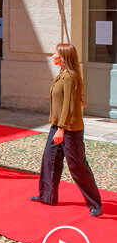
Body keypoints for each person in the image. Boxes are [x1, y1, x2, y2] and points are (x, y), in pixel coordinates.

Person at [31, 43, 102, 217]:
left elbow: (69, 106)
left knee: (77, 165)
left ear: (63, 58)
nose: (53, 55)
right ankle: (47, 196)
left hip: (69, 128)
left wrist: (61, 129)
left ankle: (95, 203)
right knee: (50, 160)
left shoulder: (70, 77)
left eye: (55, 53)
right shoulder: (62, 75)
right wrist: (57, 126)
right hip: (58, 126)